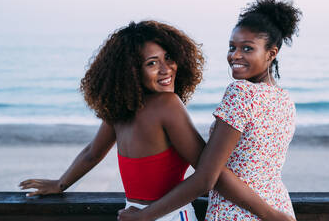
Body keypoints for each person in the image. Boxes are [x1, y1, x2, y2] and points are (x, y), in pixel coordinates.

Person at [18, 20, 293, 221]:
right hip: (161, 215)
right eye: (152, 63)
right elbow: (209, 175)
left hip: (141, 214)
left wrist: (62, 183)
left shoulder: (122, 109)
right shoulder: (165, 105)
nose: (166, 69)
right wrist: (270, 213)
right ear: (130, 71)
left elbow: (93, 153)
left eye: (169, 58)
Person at [118, 0, 301, 221]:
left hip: (237, 213)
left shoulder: (241, 93)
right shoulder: (285, 99)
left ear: (271, 53)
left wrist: (144, 215)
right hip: (279, 204)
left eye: (247, 48)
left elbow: (206, 177)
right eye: (232, 47)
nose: (235, 55)